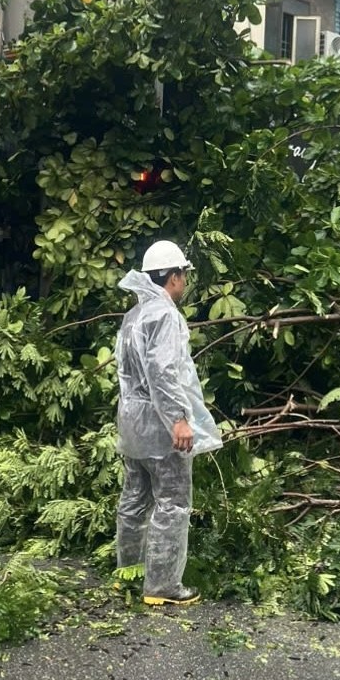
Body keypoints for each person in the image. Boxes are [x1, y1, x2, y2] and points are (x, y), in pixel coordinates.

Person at [114, 239, 223, 606]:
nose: (185, 281)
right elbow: (163, 372)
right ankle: (161, 586)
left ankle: (127, 573)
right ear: (173, 277)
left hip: (132, 424)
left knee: (134, 499)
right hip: (160, 428)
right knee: (172, 503)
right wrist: (178, 420)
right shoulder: (164, 315)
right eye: (184, 274)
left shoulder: (134, 316)